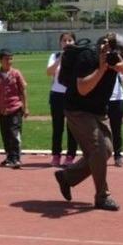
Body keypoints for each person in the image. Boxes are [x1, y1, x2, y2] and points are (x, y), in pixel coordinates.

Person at [53, 32, 123, 211]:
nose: (114, 54)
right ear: (102, 47)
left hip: (99, 110)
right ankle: (102, 196)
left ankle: (67, 177)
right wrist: (101, 68)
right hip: (77, 109)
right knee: (99, 149)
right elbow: (83, 89)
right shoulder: (87, 56)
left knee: (107, 150)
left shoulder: (120, 55)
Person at [0, 48, 29, 169]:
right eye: (6, 59)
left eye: (11, 58)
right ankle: (9, 156)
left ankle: (16, 158)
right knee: (5, 134)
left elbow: (23, 90)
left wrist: (26, 107)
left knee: (14, 133)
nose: (9, 61)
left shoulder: (16, 73)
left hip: (15, 108)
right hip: (3, 110)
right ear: (0, 60)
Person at [46, 32, 79, 167]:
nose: (67, 43)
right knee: (57, 127)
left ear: (74, 42)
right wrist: (61, 59)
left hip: (72, 95)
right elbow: (49, 72)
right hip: (57, 95)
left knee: (72, 127)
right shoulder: (54, 56)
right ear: (60, 43)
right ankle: (56, 155)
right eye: (64, 40)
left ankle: (70, 156)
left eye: (70, 40)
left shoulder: (78, 56)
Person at [106, 34, 123, 167]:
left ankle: (117, 155)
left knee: (117, 129)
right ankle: (100, 154)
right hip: (103, 99)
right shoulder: (101, 57)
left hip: (117, 98)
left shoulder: (117, 57)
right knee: (101, 130)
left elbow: (121, 71)